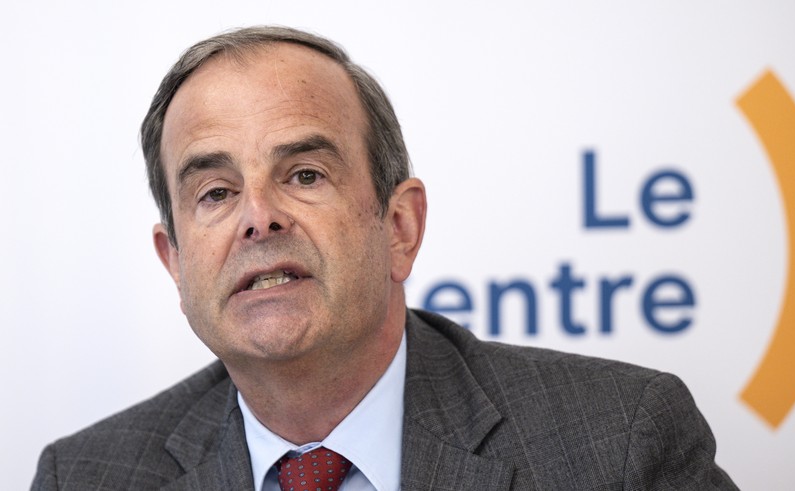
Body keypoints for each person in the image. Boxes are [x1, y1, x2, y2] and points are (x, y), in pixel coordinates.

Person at [31, 26, 737, 490]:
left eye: (304, 174)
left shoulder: (618, 443)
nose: (258, 216)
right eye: (215, 192)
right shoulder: (87, 477)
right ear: (176, 263)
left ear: (400, 227)